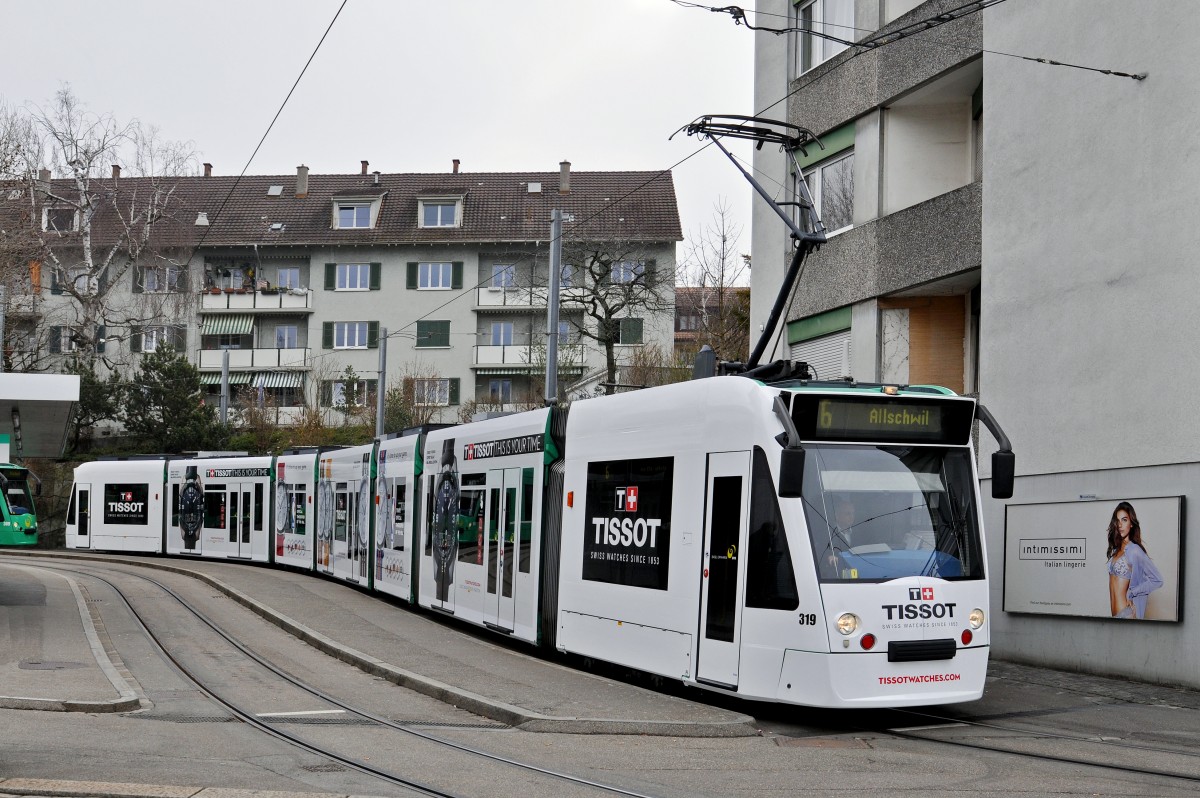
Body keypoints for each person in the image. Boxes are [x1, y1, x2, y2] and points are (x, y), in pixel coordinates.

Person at [1106, 501, 1163, 619]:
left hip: (1127, 614)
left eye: (1124, 520)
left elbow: (1157, 580)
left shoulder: (1135, 550)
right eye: (1117, 520)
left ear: (1131, 523)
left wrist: (1133, 592)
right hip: (1114, 616)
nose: (1120, 525)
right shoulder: (1116, 550)